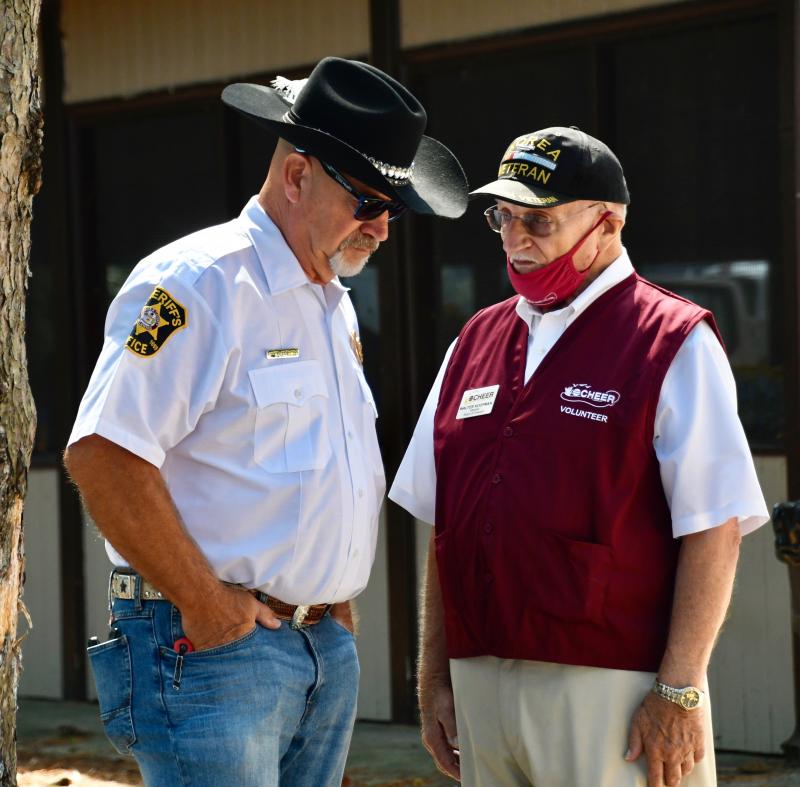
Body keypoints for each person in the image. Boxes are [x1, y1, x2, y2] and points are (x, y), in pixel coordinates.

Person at [63, 56, 467, 787]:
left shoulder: (331, 301)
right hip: (214, 647)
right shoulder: (198, 282)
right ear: (297, 176)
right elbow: (103, 454)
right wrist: (209, 608)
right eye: (368, 201)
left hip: (315, 645)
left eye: (395, 210)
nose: (381, 228)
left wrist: (330, 604)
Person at [389, 126, 769, 787]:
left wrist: (679, 690)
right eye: (502, 218)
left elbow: (716, 527)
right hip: (481, 684)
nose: (516, 239)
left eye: (538, 221)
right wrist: (434, 680)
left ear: (608, 223)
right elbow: (446, 523)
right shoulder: (472, 342)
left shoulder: (671, 340)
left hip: (615, 691)